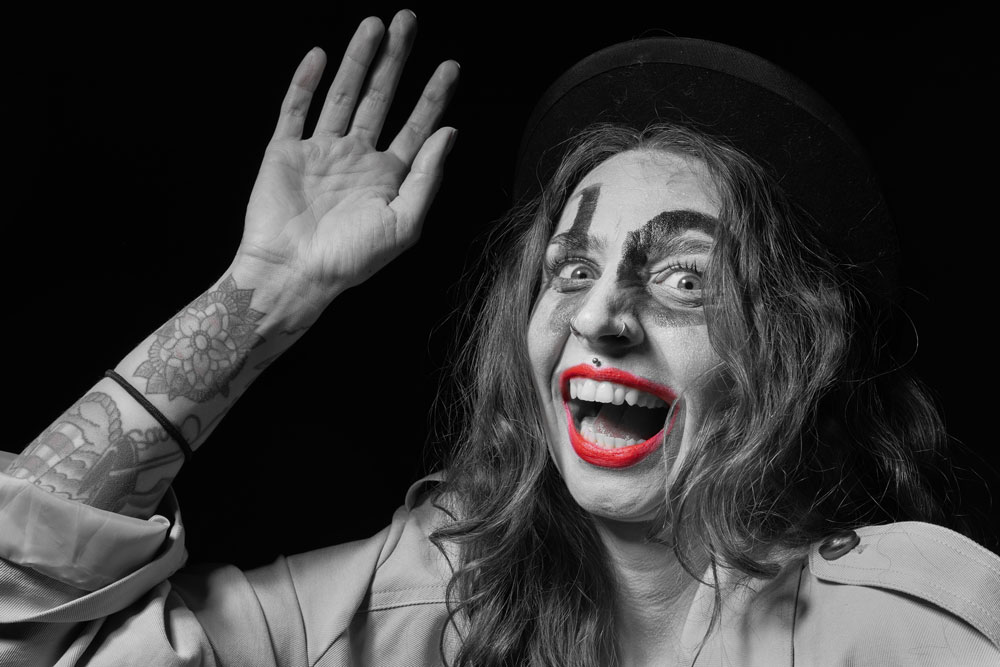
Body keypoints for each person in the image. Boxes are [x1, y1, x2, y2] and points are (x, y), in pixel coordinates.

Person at [1, 10, 998, 666]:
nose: (599, 318)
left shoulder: (911, 622)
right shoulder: (415, 597)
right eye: (572, 270)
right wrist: (262, 291)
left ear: (789, 350)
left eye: (684, 279)